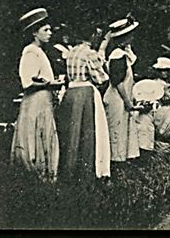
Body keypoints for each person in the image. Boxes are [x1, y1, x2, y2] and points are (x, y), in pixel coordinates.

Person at [56, 20, 112, 180]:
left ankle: (70, 170)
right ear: (93, 34)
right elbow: (101, 78)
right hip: (85, 92)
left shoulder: (72, 51)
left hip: (71, 92)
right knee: (89, 133)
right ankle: (88, 172)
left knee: (72, 133)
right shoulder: (89, 53)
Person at [11, 8, 61, 182]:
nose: (49, 33)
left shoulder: (40, 51)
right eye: (45, 30)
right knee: (35, 135)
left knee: (44, 133)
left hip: (43, 100)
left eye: (49, 29)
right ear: (34, 33)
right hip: (35, 101)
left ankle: (46, 175)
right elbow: (28, 81)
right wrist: (51, 83)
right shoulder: (30, 51)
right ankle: (36, 174)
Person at [104, 16, 141, 163]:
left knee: (123, 130)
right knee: (117, 131)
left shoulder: (123, 53)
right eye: (130, 35)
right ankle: (116, 163)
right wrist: (127, 102)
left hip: (122, 96)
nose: (132, 37)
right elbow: (118, 82)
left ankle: (123, 160)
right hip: (117, 98)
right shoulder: (117, 56)